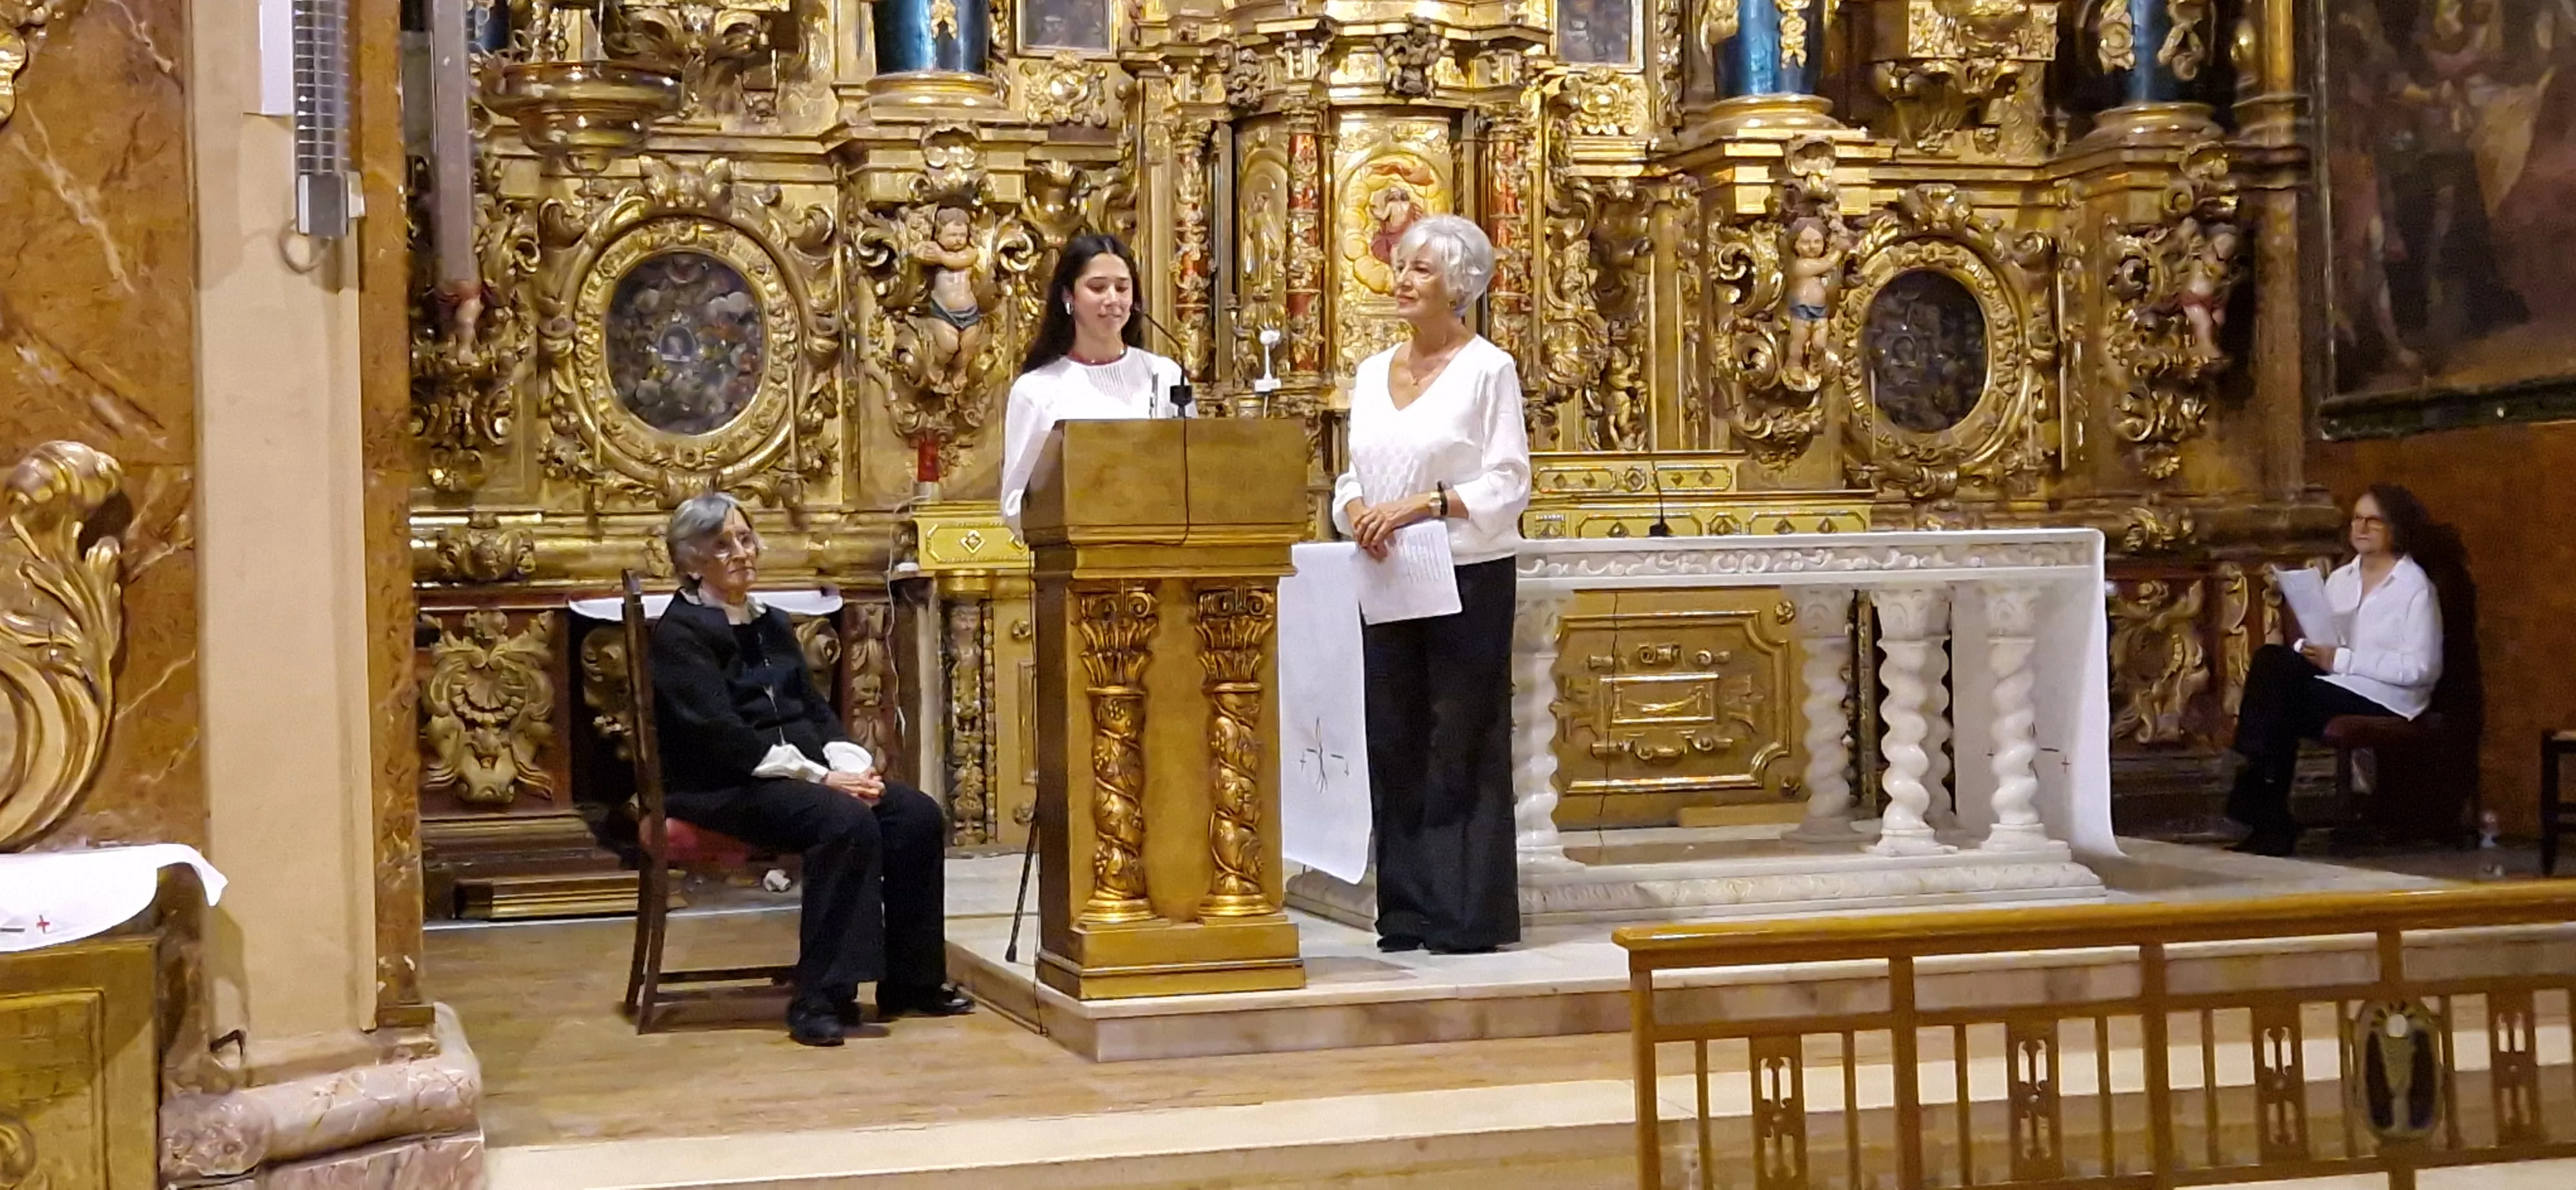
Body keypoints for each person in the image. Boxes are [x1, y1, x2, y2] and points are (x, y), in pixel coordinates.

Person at [652, 493, 973, 1045]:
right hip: (721, 784)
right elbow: (721, 737)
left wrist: (851, 765)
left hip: (796, 775)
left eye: (746, 539)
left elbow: (813, 710)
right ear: (689, 560)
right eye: (723, 544)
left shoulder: (771, 623)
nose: (742, 553)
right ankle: (822, 996)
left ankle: (912, 982)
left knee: (914, 815)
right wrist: (825, 781)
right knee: (841, 822)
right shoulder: (680, 634)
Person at [1332, 214, 1532, 955]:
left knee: (1460, 736)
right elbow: (1354, 472)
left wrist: (1421, 506)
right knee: (1394, 735)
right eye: (1401, 266)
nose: (1402, 280)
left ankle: (1466, 913)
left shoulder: (1488, 369)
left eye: (1420, 270)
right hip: (1385, 571)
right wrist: (1354, 510)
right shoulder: (1369, 372)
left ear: (1461, 286)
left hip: (1464, 570)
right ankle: (1407, 909)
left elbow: (1509, 479)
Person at [2226, 486, 2446, 856]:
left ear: (2395, 528)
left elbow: (2421, 669)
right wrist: (2308, 650)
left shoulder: (2414, 587)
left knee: (2280, 697)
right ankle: (2269, 814)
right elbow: (2324, 638)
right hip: (2339, 681)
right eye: (2357, 519)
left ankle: (2260, 801)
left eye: (2373, 521)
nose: (2361, 527)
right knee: (2272, 661)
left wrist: (2340, 661)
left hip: (2389, 696)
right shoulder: (2341, 578)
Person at [997, 233, 1188, 538]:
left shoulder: (1165, 376)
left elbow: (1191, 480)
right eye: (1098, 288)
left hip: (1160, 554)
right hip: (1076, 563)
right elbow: (1014, 506)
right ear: (1068, 296)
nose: (1113, 299)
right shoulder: (1037, 389)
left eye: (1123, 288)